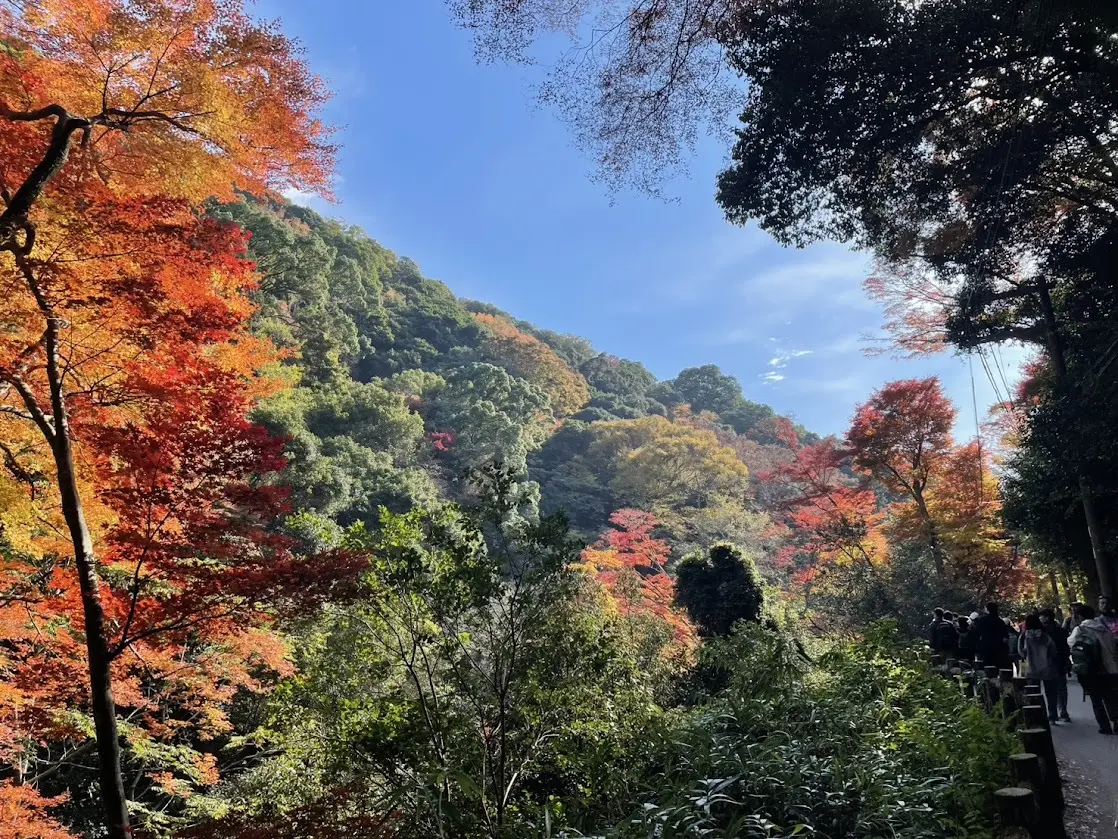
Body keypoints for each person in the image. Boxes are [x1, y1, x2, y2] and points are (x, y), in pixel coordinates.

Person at [1068, 603, 1118, 735]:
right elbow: (1113, 646)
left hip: (1090, 669)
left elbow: (1071, 643)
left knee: (1096, 699)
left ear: (1080, 617)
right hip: (1108, 668)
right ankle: (1117, 722)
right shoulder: (1104, 628)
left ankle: (1104, 726)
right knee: (1111, 697)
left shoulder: (1080, 629)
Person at [1018, 614, 1063, 723]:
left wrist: (1023, 668)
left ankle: (1037, 716)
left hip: (1031, 668)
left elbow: (1020, 652)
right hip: (1047, 667)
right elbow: (1053, 650)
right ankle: (1052, 715)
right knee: (1051, 693)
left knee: (1034, 694)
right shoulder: (1045, 636)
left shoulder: (1024, 636)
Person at [1039, 608, 1071, 722]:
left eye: (1041, 616)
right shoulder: (1060, 631)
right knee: (1061, 688)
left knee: (1050, 690)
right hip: (1060, 663)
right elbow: (1066, 648)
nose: (1040, 618)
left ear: (1047, 618)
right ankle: (1063, 711)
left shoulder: (1042, 633)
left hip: (1047, 664)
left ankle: (1052, 714)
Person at [972, 602, 1011, 669]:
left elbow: (976, 633)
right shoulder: (1000, 621)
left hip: (984, 648)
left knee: (984, 668)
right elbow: (1006, 636)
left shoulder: (982, 620)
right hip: (998, 649)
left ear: (987, 609)